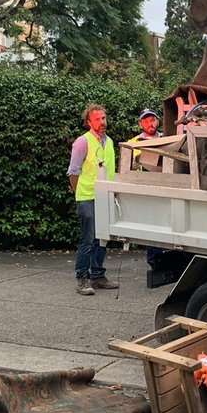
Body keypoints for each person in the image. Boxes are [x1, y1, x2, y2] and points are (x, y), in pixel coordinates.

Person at [68, 104, 118, 296]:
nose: (102, 122)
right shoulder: (83, 142)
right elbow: (73, 171)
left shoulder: (110, 142)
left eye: (104, 118)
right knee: (88, 239)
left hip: (105, 195)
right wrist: (77, 193)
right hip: (87, 196)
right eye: (97, 119)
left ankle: (97, 276)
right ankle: (81, 278)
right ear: (89, 122)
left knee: (102, 238)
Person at [125, 108, 165, 271]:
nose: (150, 123)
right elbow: (127, 170)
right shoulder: (133, 143)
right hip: (147, 191)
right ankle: (155, 263)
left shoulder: (168, 137)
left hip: (167, 187)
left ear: (157, 121)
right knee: (153, 227)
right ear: (140, 123)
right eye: (146, 120)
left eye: (152, 119)